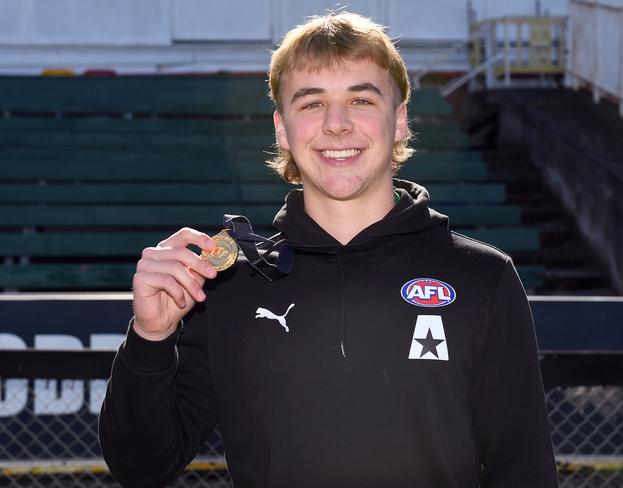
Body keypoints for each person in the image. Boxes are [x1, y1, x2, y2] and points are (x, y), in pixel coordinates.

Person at [99, 11, 558, 488]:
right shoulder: (228, 282)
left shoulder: (482, 276)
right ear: (282, 129)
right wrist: (151, 337)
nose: (337, 124)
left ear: (399, 119)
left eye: (361, 98)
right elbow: (141, 467)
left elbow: (524, 470)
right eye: (312, 103)